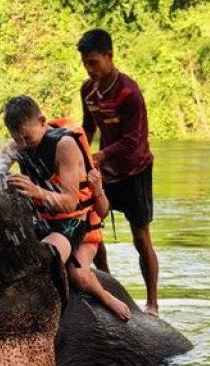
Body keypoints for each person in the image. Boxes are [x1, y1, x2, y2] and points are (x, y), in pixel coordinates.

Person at [1, 95, 131, 325]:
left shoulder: (65, 146)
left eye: (27, 138)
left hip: (71, 221)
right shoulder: (15, 146)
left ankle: (105, 296)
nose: (22, 144)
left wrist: (36, 192)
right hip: (40, 219)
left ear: (42, 121)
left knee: (70, 271)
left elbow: (70, 202)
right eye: (17, 139)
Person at [78, 29, 160, 317]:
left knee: (140, 237)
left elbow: (132, 141)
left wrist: (99, 155)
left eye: (94, 62)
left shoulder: (129, 93)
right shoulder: (88, 90)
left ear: (110, 57)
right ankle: (108, 283)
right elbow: (88, 128)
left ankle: (152, 303)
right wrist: (79, 152)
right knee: (92, 229)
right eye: (86, 63)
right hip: (105, 171)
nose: (90, 69)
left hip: (134, 169)